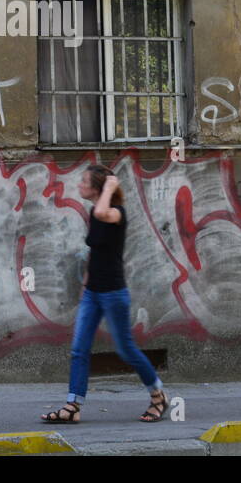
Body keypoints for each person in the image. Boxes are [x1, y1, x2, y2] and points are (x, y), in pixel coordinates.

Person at [41, 165, 168, 424]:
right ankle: (73, 406)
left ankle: (158, 396)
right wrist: (86, 285)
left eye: (84, 181)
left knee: (125, 349)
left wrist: (111, 185)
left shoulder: (115, 213)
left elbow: (102, 211)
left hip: (113, 293)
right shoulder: (95, 212)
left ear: (98, 187)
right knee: (79, 350)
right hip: (93, 294)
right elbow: (95, 251)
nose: (79, 185)